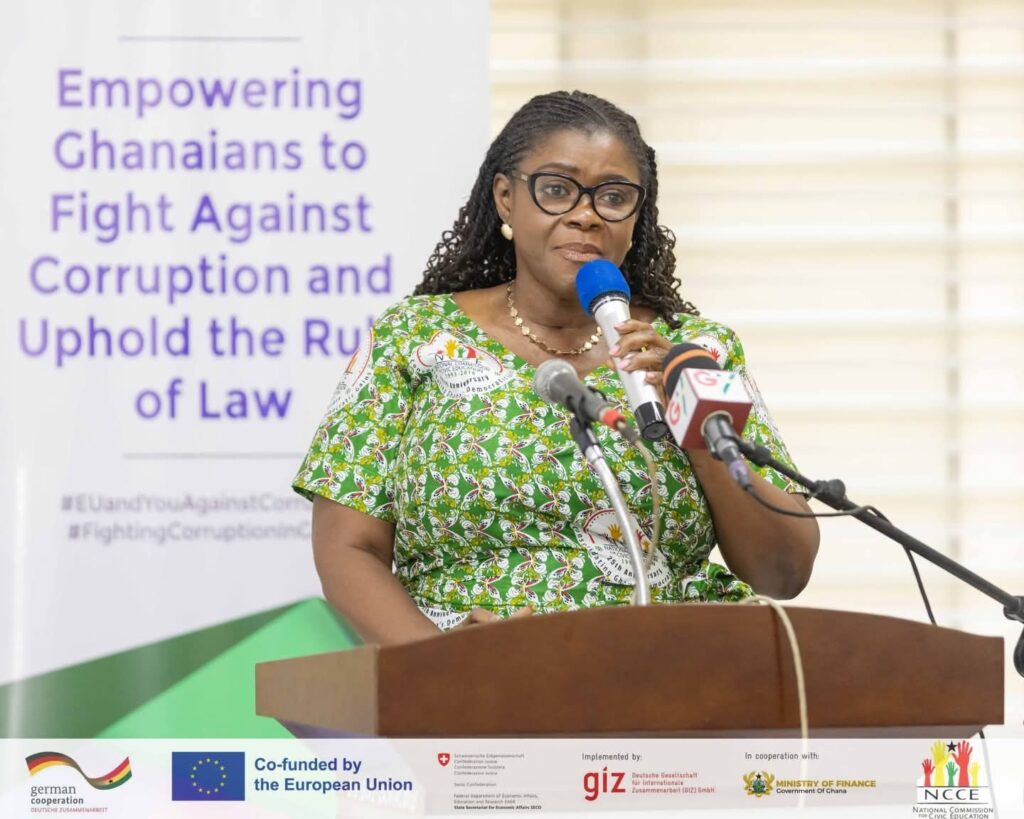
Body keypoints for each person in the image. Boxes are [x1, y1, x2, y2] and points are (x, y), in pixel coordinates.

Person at [293, 91, 819, 645]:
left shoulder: (694, 350)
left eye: (613, 197)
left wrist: (694, 427)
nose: (586, 215)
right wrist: (441, 666)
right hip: (471, 673)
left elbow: (784, 572)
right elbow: (348, 548)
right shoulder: (415, 337)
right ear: (506, 199)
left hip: (673, 666)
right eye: (557, 190)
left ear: (636, 217)